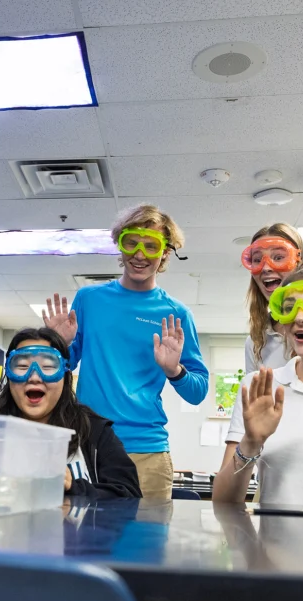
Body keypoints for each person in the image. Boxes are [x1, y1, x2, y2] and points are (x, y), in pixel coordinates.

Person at [43, 205, 208, 500]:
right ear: (119, 245)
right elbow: (59, 371)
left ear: (165, 253)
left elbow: (198, 391)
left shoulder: (176, 314)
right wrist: (58, 344)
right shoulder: (89, 299)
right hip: (88, 444)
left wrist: (175, 371)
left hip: (146, 450)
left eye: (151, 245)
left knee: (143, 546)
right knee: (84, 542)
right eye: (131, 242)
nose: (140, 254)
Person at [0, 327, 141, 500]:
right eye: (22, 366)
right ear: (9, 376)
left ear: (65, 376)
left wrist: (73, 486)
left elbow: (130, 495)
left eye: (47, 367)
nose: (34, 377)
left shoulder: (94, 430)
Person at [213, 264, 303, 504]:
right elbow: (223, 500)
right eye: (289, 308)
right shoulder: (260, 387)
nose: (299, 317)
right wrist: (251, 444)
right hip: (274, 540)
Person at [242, 223, 303, 374]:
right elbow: (251, 395)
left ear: (299, 263)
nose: (266, 267)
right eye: (257, 260)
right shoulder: (256, 342)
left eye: (278, 257)